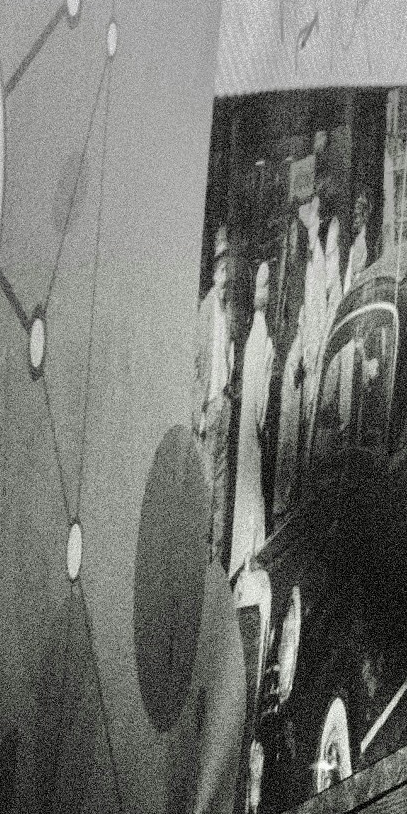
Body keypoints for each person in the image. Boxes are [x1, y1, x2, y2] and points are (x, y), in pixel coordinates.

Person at [192, 225, 239, 568]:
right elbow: (196, 364)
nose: (226, 279)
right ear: (214, 273)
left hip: (223, 402)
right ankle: (202, 544)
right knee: (208, 482)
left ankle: (215, 551)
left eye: (228, 272)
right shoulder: (206, 310)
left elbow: (226, 356)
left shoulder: (224, 310)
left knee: (221, 482)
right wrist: (200, 411)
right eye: (222, 272)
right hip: (210, 405)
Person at [230, 256, 277, 578]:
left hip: (246, 425)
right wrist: (263, 426)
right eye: (264, 288)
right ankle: (249, 548)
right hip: (252, 429)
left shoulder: (253, 334)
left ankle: (242, 550)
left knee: (246, 484)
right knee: (252, 485)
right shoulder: (262, 337)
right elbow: (260, 398)